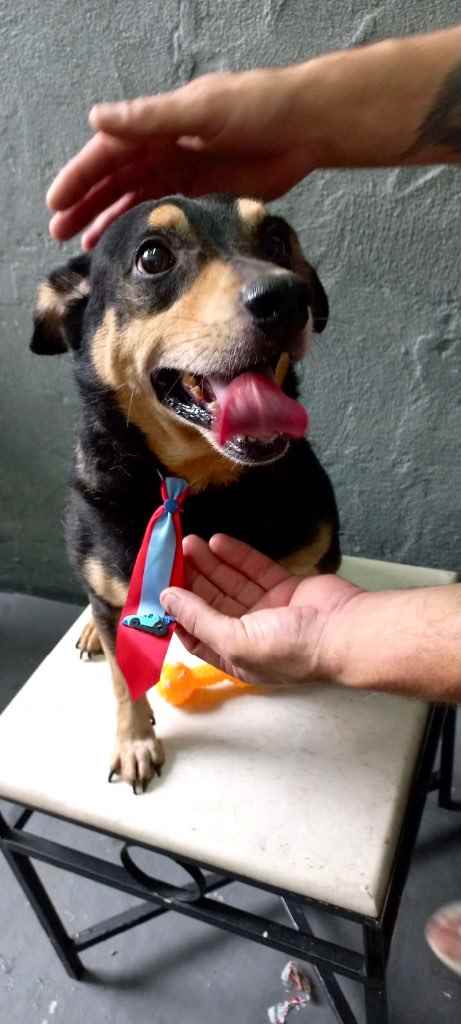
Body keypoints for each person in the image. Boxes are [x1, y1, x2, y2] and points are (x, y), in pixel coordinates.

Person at [47, 24, 461, 973]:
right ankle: (127, 704)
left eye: (273, 248)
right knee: (108, 603)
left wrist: (338, 640)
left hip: (281, 580)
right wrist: (132, 714)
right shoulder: (101, 521)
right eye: (157, 261)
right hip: (132, 532)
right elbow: (110, 593)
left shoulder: (299, 518)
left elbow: (322, 583)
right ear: (78, 321)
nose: (265, 282)